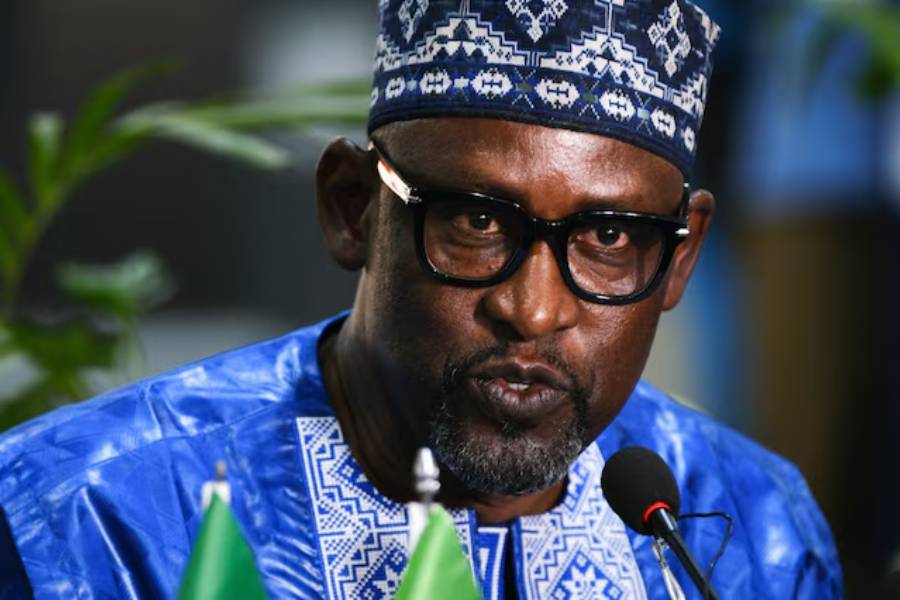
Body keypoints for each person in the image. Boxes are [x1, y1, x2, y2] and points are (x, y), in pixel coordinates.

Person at [0, 1, 842, 598]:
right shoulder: (86, 520)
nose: (534, 308)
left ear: (682, 257)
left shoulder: (748, 532)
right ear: (353, 209)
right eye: (477, 221)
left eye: (610, 238)